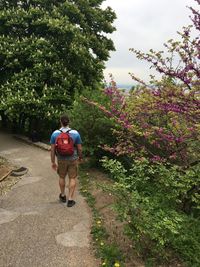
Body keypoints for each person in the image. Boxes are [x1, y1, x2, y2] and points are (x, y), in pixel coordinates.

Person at [50, 114, 83, 207]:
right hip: (73, 159)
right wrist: (80, 157)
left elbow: (52, 149)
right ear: (69, 122)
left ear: (60, 122)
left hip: (61, 159)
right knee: (72, 178)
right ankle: (70, 200)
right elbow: (80, 148)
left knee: (61, 177)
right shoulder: (75, 133)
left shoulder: (55, 133)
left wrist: (53, 161)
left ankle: (63, 195)